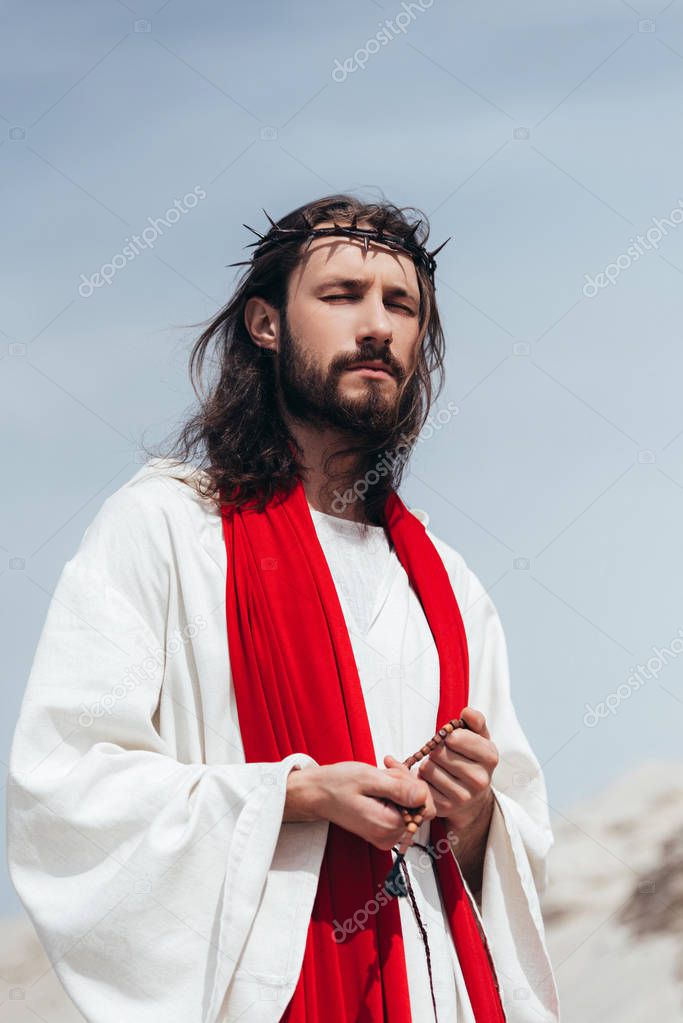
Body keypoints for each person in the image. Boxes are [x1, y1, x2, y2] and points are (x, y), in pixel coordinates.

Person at [7, 194, 560, 1022]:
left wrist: (474, 810)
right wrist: (294, 794)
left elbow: (513, 851)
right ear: (266, 325)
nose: (376, 325)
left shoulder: (445, 584)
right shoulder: (169, 526)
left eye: (400, 305)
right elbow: (65, 787)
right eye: (341, 296)